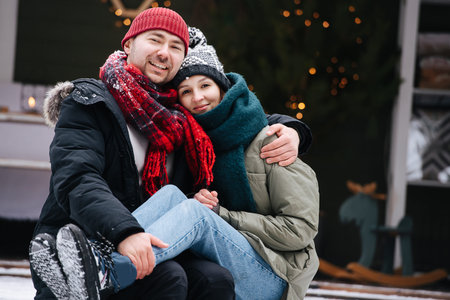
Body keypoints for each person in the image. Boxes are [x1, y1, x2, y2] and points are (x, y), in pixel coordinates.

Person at [28, 7, 312, 300]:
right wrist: (124, 233)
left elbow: (237, 115)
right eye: (155, 40)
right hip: (90, 233)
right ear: (128, 44)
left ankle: (106, 269)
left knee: (212, 276)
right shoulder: (92, 102)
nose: (165, 53)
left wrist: (293, 128)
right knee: (174, 261)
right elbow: (77, 178)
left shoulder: (184, 119)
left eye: (176, 46)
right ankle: (91, 267)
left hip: (251, 266)